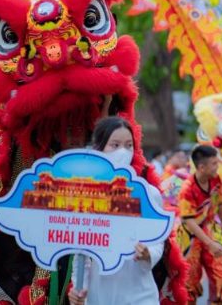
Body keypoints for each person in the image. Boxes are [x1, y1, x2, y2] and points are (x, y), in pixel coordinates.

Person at [68, 116, 164, 305]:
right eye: (115, 145)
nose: (123, 152)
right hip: (100, 292)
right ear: (99, 148)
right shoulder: (85, 196)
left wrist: (148, 253)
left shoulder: (148, 193)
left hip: (140, 292)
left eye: (128, 145)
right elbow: (80, 252)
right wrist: (79, 290)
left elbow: (158, 240)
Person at [178, 145, 222, 304]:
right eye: (214, 163)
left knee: (221, 273)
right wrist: (209, 244)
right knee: (190, 280)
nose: (218, 167)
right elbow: (188, 220)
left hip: (209, 227)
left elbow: (219, 202)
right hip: (191, 235)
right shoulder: (187, 189)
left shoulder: (215, 179)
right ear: (201, 167)